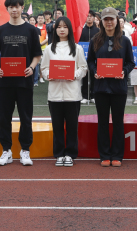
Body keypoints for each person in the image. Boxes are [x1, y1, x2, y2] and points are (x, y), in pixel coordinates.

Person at [0, 0, 43, 166]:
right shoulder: (0, 31)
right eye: (11, 7)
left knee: (25, 117)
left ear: (22, 8)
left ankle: (25, 150)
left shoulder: (31, 30)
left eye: (17, 6)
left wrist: (32, 67)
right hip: (5, 82)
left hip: (24, 81)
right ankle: (6, 150)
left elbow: (37, 55)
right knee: (4, 118)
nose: (14, 9)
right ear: (7, 9)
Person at [87, 7, 135, 167]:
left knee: (118, 122)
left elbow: (131, 62)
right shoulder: (95, 40)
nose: (109, 22)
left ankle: (117, 155)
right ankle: (104, 155)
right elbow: (90, 61)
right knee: (102, 122)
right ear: (101, 21)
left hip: (118, 88)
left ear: (116, 21)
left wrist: (123, 71)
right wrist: (95, 71)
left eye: (111, 19)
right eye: (105, 19)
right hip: (101, 87)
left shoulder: (125, 41)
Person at [40, 17, 88, 166]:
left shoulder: (77, 48)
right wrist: (49, 75)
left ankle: (70, 154)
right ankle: (59, 154)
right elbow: (44, 68)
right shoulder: (49, 49)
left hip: (72, 94)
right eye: (59, 27)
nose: (62, 30)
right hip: (55, 94)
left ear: (69, 29)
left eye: (65, 27)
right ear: (55, 30)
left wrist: (74, 75)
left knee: (72, 126)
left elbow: (83, 68)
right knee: (57, 126)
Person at [79, 10, 99, 104]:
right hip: (83, 57)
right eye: (87, 16)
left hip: (94, 58)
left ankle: (93, 95)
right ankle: (85, 96)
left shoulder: (98, 31)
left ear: (94, 18)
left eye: (91, 16)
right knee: (84, 76)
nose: (89, 18)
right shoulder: (81, 31)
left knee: (94, 76)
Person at [35, 13, 49, 86]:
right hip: (34, 48)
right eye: (39, 18)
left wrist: (40, 44)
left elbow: (47, 38)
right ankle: (35, 78)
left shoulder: (46, 27)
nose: (40, 19)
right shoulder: (34, 27)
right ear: (37, 19)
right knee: (35, 63)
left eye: (42, 18)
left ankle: (41, 77)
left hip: (43, 48)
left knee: (42, 63)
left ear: (44, 19)